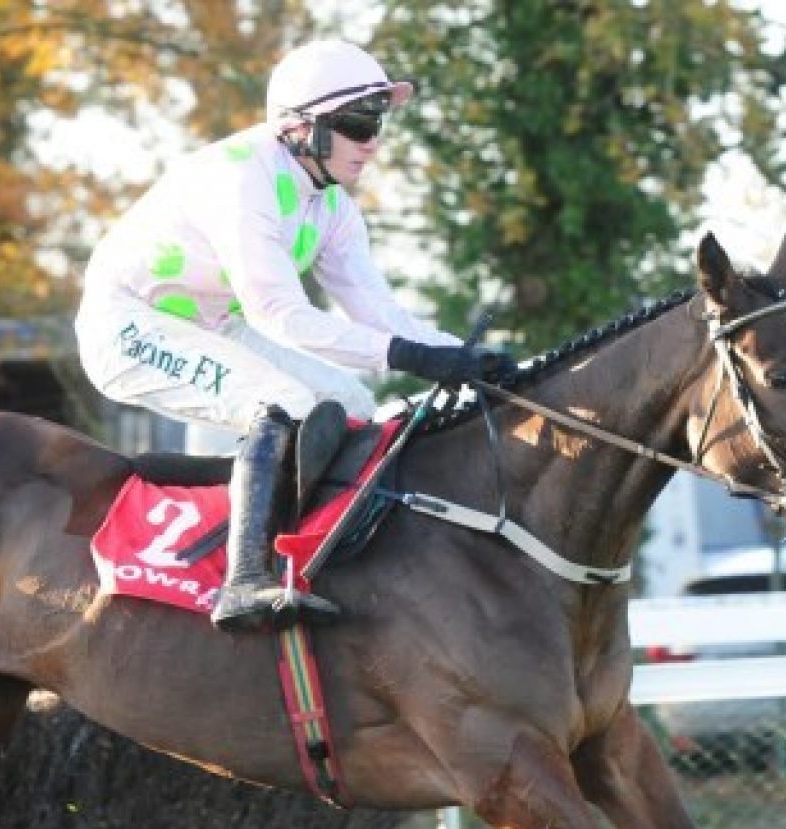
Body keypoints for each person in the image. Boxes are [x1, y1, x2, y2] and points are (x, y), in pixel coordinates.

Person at [75, 37, 515, 632]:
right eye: (359, 124)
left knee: (355, 404)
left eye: (378, 125)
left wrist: (462, 357)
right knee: (283, 404)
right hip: (127, 324)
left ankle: (317, 552)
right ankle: (244, 579)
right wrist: (412, 357)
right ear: (301, 128)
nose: (373, 143)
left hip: (211, 325)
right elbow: (278, 314)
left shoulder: (332, 208)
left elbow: (378, 312)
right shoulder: (242, 179)